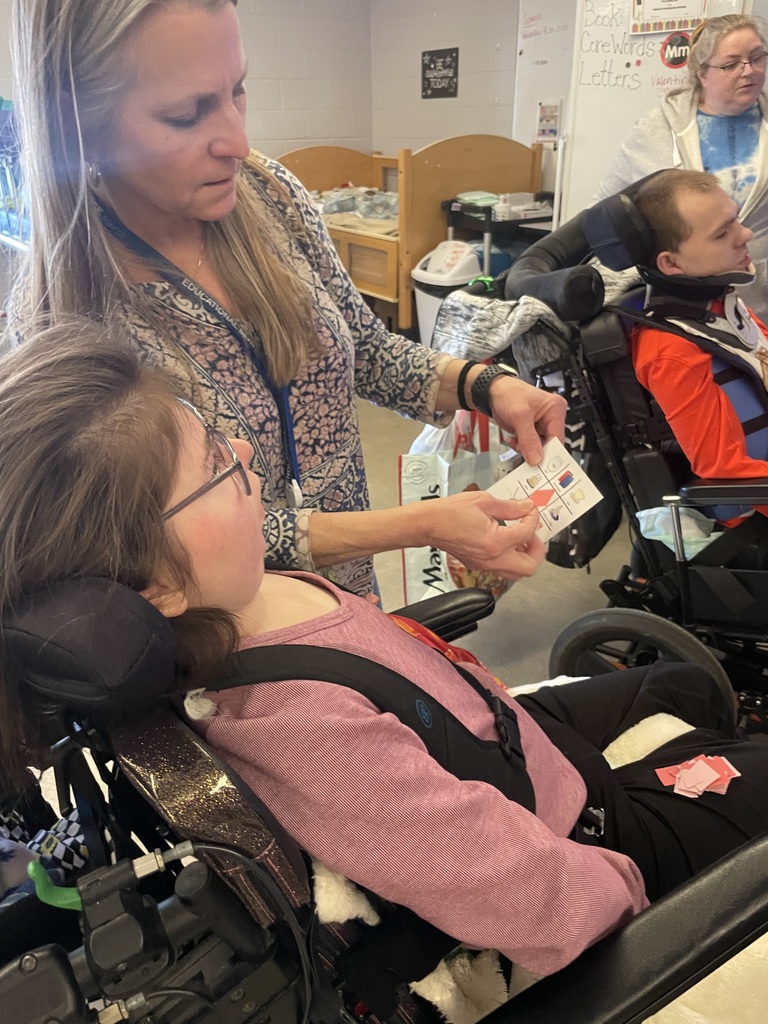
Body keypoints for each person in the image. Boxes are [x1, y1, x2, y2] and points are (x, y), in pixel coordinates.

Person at [4, 320, 768, 982]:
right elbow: (527, 894)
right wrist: (647, 909)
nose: (242, 446)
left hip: (500, 730)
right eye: (215, 464)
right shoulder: (297, 727)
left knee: (687, 687)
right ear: (158, 587)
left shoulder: (233, 594)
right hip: (579, 832)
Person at [7, 0, 566, 598]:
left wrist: (485, 386)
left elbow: (368, 351)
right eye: (186, 114)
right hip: (243, 643)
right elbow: (166, 539)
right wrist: (420, 525)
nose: (239, 143)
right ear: (79, 125)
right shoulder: (66, 318)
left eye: (237, 90)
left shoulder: (269, 195)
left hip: (349, 600)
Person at [595, 14, 768, 322]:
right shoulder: (656, 130)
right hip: (681, 304)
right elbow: (605, 212)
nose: (750, 71)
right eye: (731, 64)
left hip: (759, 295)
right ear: (702, 73)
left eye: (757, 58)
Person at [627, 168, 768, 526]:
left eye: (735, 219)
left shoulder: (723, 310)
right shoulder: (673, 352)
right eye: (723, 233)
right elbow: (726, 470)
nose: (746, 234)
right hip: (753, 517)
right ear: (671, 263)